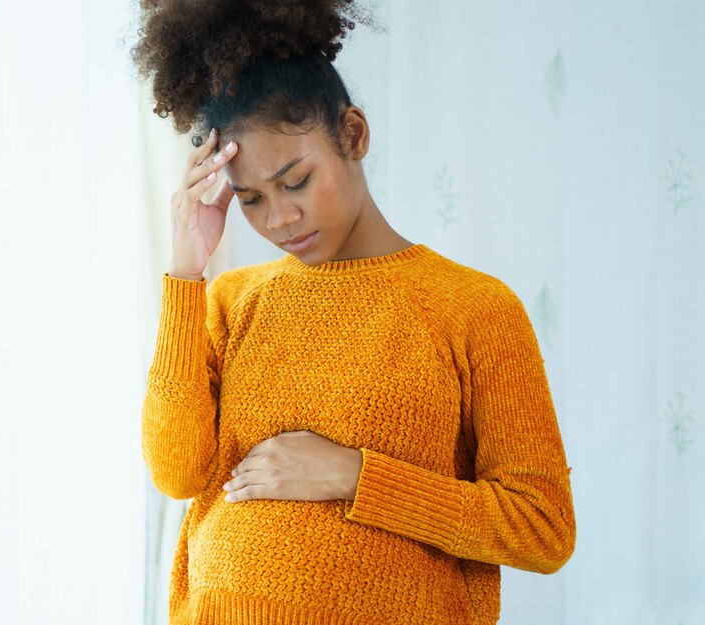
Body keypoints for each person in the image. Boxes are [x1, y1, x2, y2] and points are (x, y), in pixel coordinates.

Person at [131, 1, 577, 623]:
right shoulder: (234, 300)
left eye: (296, 181)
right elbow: (176, 472)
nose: (279, 219)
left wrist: (355, 475)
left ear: (353, 135)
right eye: (251, 199)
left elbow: (542, 526)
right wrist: (186, 274)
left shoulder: (474, 308)